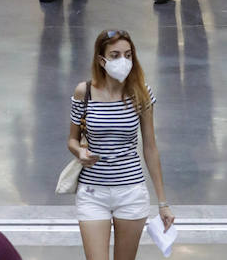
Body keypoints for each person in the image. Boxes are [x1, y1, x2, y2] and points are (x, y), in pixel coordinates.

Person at [68, 30, 174, 260]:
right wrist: (79, 151)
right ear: (101, 60)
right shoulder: (83, 93)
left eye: (128, 55)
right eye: (114, 55)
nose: (122, 61)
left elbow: (150, 147)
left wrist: (163, 203)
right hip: (92, 192)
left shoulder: (140, 93)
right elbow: (72, 139)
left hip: (130, 191)